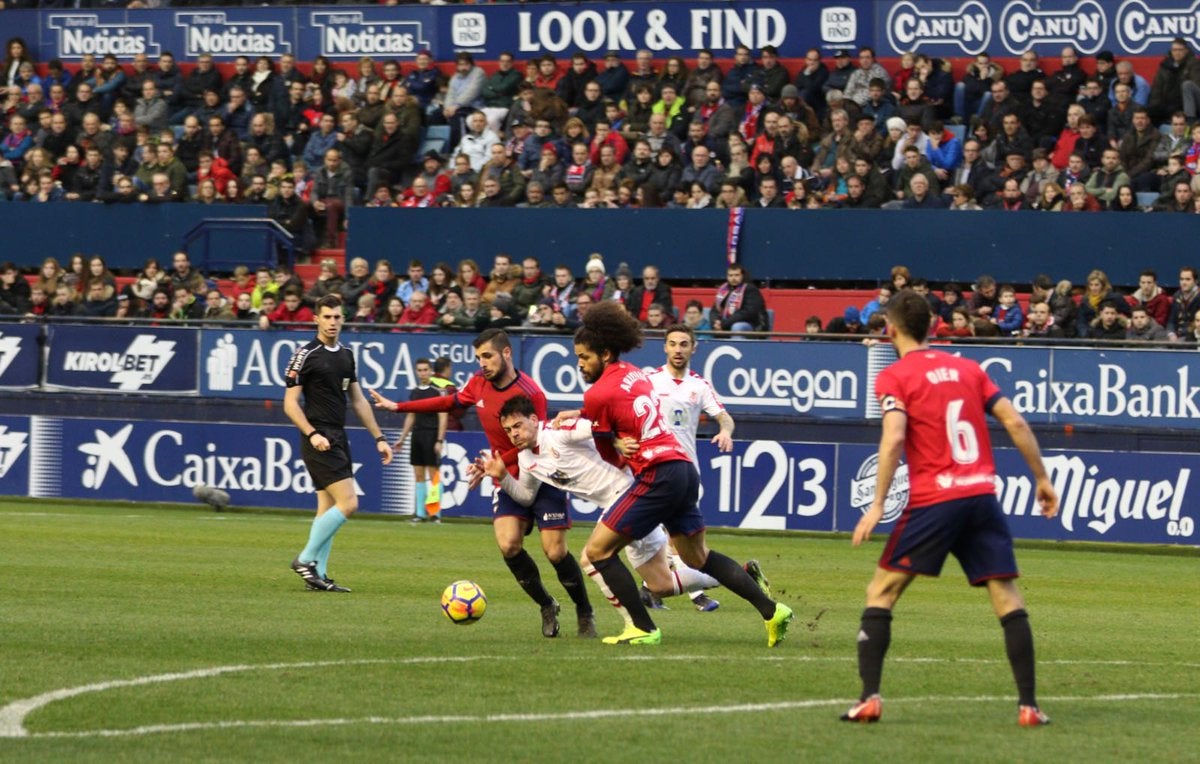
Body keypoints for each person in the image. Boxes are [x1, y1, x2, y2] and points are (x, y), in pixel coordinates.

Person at [841, 289, 1058, 726]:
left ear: (891, 329)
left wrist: (878, 503)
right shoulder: (969, 368)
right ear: (935, 327)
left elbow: (895, 437)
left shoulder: (895, 376)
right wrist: (1042, 478)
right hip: (980, 495)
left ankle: (869, 698)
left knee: (881, 592)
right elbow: (1015, 420)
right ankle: (1029, 707)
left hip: (935, 500)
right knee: (1006, 597)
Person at [564, 301, 791, 645]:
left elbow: (605, 447)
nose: (580, 364)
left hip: (658, 475)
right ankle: (773, 611)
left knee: (597, 553)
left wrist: (619, 450)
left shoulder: (597, 392)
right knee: (697, 557)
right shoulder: (636, 374)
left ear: (606, 353)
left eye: (584, 357)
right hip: (684, 469)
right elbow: (622, 404)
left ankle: (642, 627)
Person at [371, 329, 596, 639]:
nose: (482, 363)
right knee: (508, 545)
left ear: (506, 354)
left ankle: (584, 610)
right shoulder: (477, 383)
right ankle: (546, 604)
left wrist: (500, 462)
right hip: (505, 477)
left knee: (555, 552)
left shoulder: (533, 393)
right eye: (478, 357)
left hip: (542, 475)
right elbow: (450, 401)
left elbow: (538, 439)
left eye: (487, 356)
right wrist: (399, 407)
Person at [481, 396, 722, 629]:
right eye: (509, 430)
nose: (513, 433)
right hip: (620, 503)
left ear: (534, 419)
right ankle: (730, 576)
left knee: (592, 556)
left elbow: (599, 427)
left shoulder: (560, 431)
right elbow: (526, 496)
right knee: (661, 585)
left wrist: (617, 443)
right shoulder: (526, 460)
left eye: (518, 426)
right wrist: (503, 477)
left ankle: (635, 624)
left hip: (630, 495)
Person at [285, 294, 393, 593]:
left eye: (337, 317)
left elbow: (357, 400)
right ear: (316, 319)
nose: (332, 322)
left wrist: (379, 438)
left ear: (343, 318)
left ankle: (317, 574)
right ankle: (305, 559)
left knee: (327, 506)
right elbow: (291, 404)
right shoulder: (304, 355)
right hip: (318, 436)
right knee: (349, 503)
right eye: (327, 317)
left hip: (337, 435)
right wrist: (312, 434)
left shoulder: (346, 355)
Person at [647, 323, 738, 612]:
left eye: (684, 344)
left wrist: (725, 431)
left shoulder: (699, 386)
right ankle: (695, 593)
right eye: (673, 343)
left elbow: (724, 417)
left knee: (688, 540)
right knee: (664, 538)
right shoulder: (649, 381)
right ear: (665, 347)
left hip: (686, 472)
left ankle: (654, 589)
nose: (678, 349)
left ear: (693, 348)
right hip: (653, 469)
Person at [393, 358, 447, 524]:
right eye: (420, 370)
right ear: (416, 372)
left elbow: (443, 416)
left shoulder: (437, 391)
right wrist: (402, 438)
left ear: (431, 371)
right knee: (418, 475)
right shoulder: (415, 392)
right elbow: (411, 416)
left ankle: (435, 513)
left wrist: (439, 439)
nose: (423, 373)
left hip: (431, 435)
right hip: (417, 435)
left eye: (425, 370)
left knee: (434, 475)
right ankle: (420, 513)